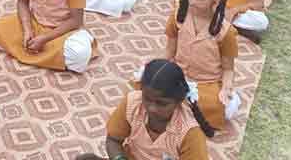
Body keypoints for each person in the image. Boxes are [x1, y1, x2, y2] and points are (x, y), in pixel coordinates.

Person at [73, 59, 212, 160]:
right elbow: (113, 140)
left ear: (178, 101)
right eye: (146, 98)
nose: (151, 108)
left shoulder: (189, 132)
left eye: (161, 104)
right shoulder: (133, 102)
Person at [165, 0, 240, 132]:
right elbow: (169, 53)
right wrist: (163, 73)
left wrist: (226, 90)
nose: (193, 1)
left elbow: (228, 69)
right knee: (147, 88)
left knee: (223, 107)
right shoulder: (179, 17)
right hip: (179, 77)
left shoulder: (225, 31)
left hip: (206, 84)